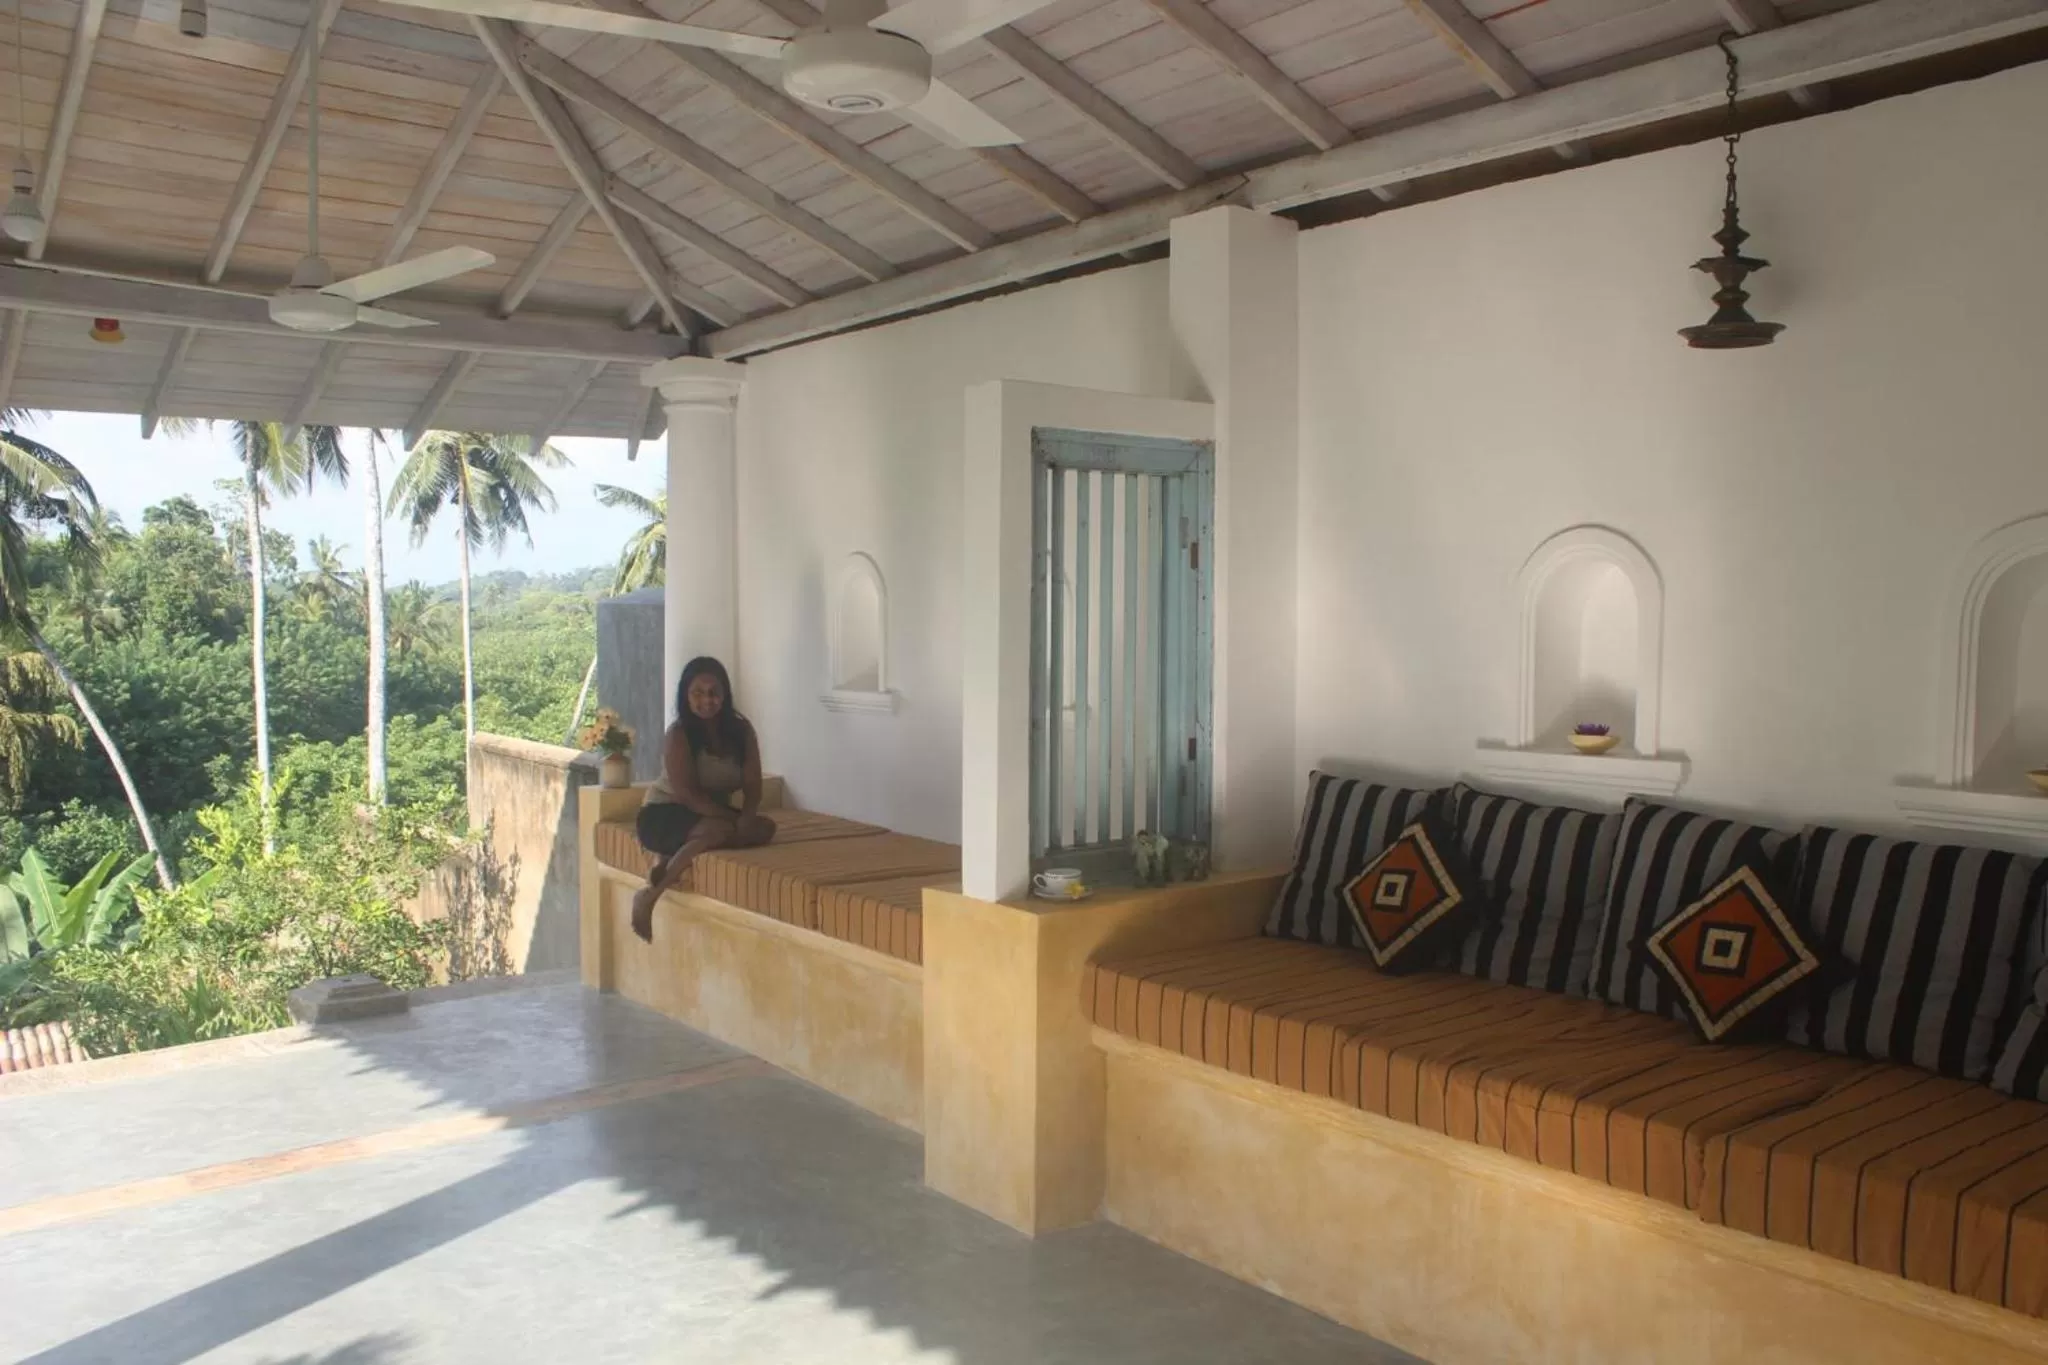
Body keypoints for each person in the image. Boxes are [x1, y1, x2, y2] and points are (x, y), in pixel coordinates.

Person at [630, 656, 774, 941]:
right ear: (686, 695)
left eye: (714, 693)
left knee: (765, 828)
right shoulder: (679, 734)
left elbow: (753, 786)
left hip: (711, 814)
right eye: (698, 693)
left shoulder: (742, 732)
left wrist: (746, 817)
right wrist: (733, 820)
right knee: (717, 830)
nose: (707, 700)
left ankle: (668, 859)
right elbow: (688, 795)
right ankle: (650, 896)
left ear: (725, 694)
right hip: (665, 812)